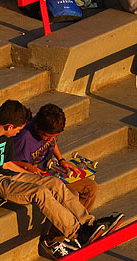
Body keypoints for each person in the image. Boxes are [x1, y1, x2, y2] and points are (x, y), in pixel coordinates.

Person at [0, 99, 105, 260]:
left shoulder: (5, 136)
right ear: (9, 126)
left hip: (7, 175)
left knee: (54, 183)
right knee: (40, 192)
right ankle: (76, 232)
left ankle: (89, 224)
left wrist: (33, 176)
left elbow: (7, 164)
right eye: (18, 130)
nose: (19, 132)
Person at [12, 103, 123, 244]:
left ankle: (87, 228)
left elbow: (53, 143)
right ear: (37, 127)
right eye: (47, 137)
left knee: (91, 187)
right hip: (36, 179)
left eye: (54, 136)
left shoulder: (48, 130)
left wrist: (61, 160)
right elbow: (9, 163)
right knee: (73, 195)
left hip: (50, 173)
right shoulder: (23, 138)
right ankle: (53, 241)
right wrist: (27, 166)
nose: (50, 140)